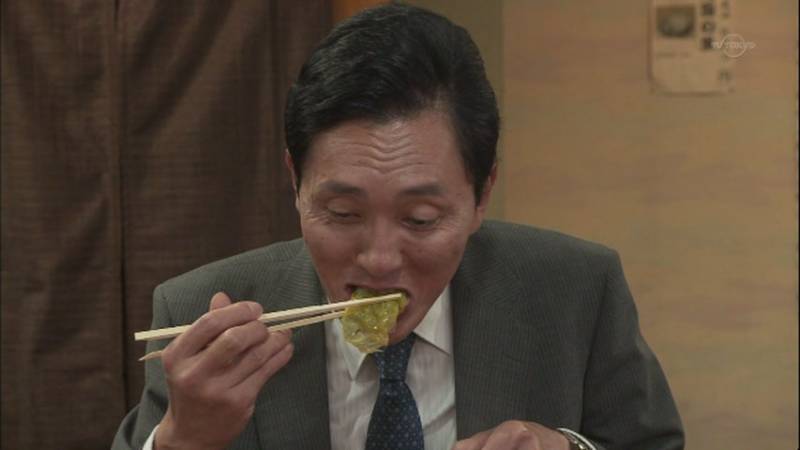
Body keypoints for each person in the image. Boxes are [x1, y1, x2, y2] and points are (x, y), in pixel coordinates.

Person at [112, 4, 684, 450]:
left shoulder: (576, 290)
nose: (380, 259)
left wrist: (568, 446)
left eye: (420, 219)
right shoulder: (200, 314)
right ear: (295, 182)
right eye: (343, 214)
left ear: (482, 194)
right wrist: (185, 439)